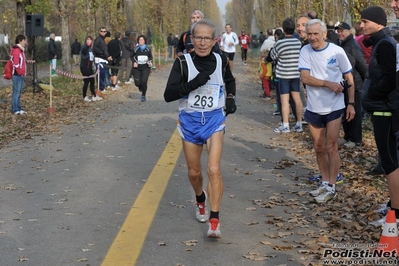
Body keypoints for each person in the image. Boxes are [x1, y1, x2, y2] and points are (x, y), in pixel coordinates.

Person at [164, 19, 237, 238]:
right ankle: (200, 198)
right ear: (191, 39)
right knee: (194, 172)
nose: (203, 43)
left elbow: (230, 81)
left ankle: (214, 221)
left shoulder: (220, 59)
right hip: (190, 120)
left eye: (207, 38)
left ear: (215, 40)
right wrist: (195, 82)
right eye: (199, 38)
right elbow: (169, 95)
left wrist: (231, 97)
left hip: (215, 119)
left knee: (213, 169)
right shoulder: (183, 63)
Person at [298, 19, 355, 203]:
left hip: (334, 106)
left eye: (316, 34)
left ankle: (332, 185)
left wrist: (351, 103)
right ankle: (324, 181)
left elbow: (349, 77)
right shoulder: (305, 50)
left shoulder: (337, 51)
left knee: (331, 146)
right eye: (310, 34)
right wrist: (327, 83)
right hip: (314, 107)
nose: (312, 37)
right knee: (319, 147)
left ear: (324, 34)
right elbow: (305, 78)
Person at [360, 6, 399, 224]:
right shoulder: (380, 42)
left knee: (389, 162)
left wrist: (372, 93)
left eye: (365, 21)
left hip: (385, 110)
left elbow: (389, 79)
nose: (361, 25)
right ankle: (393, 204)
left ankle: (396, 212)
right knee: (389, 160)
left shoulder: (385, 44)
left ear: (379, 23)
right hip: (380, 108)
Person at [335, 22, 367, 148]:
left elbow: (362, 64)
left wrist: (366, 82)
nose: (340, 33)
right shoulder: (342, 44)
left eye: (342, 31)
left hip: (355, 83)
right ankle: (347, 136)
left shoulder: (353, 46)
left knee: (355, 111)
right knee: (346, 110)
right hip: (345, 83)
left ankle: (356, 139)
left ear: (349, 31)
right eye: (338, 31)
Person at [271, 18, 303, 133]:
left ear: (283, 30)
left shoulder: (280, 43)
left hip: (283, 75)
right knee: (297, 99)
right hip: (295, 74)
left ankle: (285, 125)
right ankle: (299, 124)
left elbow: (273, 56)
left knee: (285, 100)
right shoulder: (298, 42)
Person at [80, 36, 102, 102]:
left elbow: (92, 57)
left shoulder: (91, 49)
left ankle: (94, 95)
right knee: (86, 82)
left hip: (89, 67)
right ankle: (84, 96)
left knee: (92, 81)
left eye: (90, 39)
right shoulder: (84, 47)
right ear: (86, 40)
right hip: (84, 67)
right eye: (88, 39)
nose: (89, 40)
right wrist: (87, 45)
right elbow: (84, 51)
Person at [132, 35, 153, 102]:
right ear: (138, 41)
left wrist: (149, 61)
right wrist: (134, 62)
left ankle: (143, 95)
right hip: (137, 68)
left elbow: (150, 57)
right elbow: (131, 56)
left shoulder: (148, 49)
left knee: (144, 81)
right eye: (140, 40)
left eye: (142, 40)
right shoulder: (136, 49)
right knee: (137, 83)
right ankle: (140, 86)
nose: (141, 41)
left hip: (145, 67)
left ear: (144, 41)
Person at [93, 27, 112, 95]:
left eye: (104, 31)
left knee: (103, 74)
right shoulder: (98, 39)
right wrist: (103, 54)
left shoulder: (103, 39)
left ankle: (102, 87)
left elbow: (105, 50)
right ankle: (100, 88)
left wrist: (107, 56)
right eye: (102, 31)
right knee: (100, 75)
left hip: (103, 59)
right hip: (99, 59)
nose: (103, 32)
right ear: (99, 32)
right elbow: (95, 49)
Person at [11, 34, 27, 115]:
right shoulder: (17, 50)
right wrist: (20, 72)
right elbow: (16, 64)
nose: (25, 42)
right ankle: (14, 109)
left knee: (19, 92)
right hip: (17, 75)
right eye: (24, 40)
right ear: (20, 40)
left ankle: (18, 108)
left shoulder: (21, 50)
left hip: (20, 74)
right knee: (16, 92)